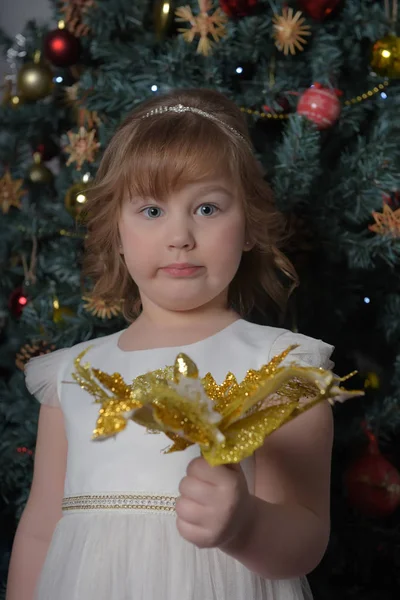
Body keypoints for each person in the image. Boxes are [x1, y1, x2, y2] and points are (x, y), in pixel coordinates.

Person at [6, 88, 335, 600]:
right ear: (115, 231)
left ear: (247, 224)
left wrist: (244, 525)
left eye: (206, 207)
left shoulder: (282, 367)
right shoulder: (73, 375)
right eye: (152, 211)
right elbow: (41, 528)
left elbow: (307, 535)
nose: (180, 235)